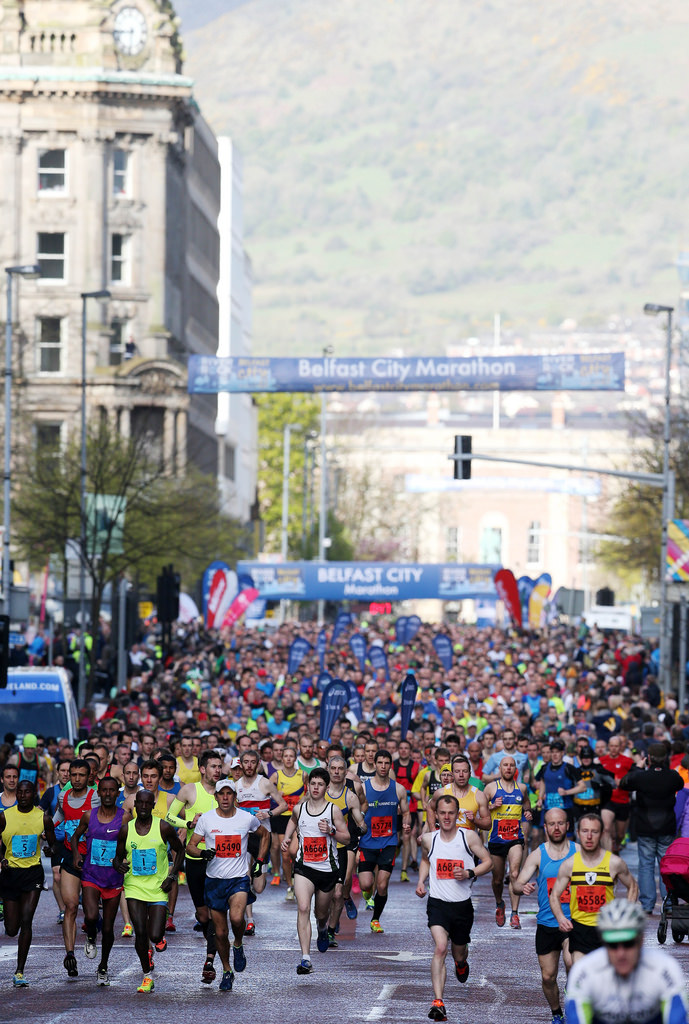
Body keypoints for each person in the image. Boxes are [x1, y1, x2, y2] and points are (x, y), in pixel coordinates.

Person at [187, 778, 270, 992]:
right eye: (221, 794)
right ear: (215, 797)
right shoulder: (206, 819)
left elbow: (265, 835)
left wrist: (260, 862)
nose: (225, 797)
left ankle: (239, 944)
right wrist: (203, 852)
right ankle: (226, 970)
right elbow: (190, 847)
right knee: (221, 933)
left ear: (235, 797)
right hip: (214, 881)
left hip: (238, 879)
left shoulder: (246, 818)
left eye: (229, 793)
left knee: (236, 918)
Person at [416, 794, 492, 1023]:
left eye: (451, 813)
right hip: (438, 903)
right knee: (440, 948)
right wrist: (421, 881)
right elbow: (426, 860)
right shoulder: (429, 839)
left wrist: (470, 873)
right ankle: (438, 1002)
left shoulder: (468, 836)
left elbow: (488, 862)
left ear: (457, 814)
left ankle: (461, 963)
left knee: (458, 952)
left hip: (462, 906)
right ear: (436, 815)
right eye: (442, 813)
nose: (447, 817)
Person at [565, 899, 688, 1024]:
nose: (621, 953)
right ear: (603, 942)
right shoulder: (584, 971)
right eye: (613, 945)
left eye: (628, 943)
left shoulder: (665, 968)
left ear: (641, 940)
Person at [113, 789, 184, 993]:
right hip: (134, 886)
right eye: (140, 803)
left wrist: (172, 876)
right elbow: (118, 857)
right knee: (141, 932)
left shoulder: (163, 827)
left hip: (158, 888)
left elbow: (180, 850)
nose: (143, 807)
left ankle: (159, 937)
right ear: (135, 806)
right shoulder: (126, 830)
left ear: (153, 806)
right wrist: (118, 865)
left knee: (154, 934)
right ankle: (147, 975)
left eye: (147, 804)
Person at [280, 767, 350, 975]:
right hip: (304, 867)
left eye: (320, 784)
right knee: (303, 907)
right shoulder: (299, 809)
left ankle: (322, 928)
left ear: (327, 788)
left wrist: (332, 831)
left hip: (327, 870)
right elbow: (292, 821)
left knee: (320, 913)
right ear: (308, 786)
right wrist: (286, 838)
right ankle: (305, 958)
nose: (316, 787)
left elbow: (346, 838)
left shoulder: (332, 811)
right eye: (313, 784)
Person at [511, 808, 577, 1024]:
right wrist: (523, 887)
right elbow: (517, 884)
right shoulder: (538, 854)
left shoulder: (578, 852)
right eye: (551, 824)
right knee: (548, 977)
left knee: (572, 963)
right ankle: (557, 1013)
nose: (556, 828)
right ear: (546, 827)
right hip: (547, 923)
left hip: (573, 921)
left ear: (567, 825)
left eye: (560, 823)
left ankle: (574, 995)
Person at [549, 812, 638, 962]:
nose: (589, 837)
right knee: (580, 972)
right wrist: (560, 918)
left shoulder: (614, 863)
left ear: (602, 834)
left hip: (607, 928)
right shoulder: (569, 865)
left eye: (594, 832)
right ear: (578, 833)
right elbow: (554, 895)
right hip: (580, 928)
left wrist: (625, 916)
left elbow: (633, 886)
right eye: (585, 831)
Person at [166, 749, 224, 980]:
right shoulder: (189, 790)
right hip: (195, 859)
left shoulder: (226, 792)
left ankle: (209, 960)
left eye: (220, 767)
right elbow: (170, 817)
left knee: (217, 912)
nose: (217, 771)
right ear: (202, 769)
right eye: (213, 766)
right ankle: (213, 942)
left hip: (221, 861)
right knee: (202, 915)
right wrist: (189, 822)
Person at [70, 776, 125, 986]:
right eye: (104, 790)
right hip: (91, 875)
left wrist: (124, 860)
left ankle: (103, 966)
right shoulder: (88, 816)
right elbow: (75, 837)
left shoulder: (125, 818)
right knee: (92, 916)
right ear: (98, 793)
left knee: (110, 929)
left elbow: (131, 843)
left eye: (112, 790)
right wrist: (76, 855)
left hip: (113, 878)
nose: (108, 794)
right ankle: (91, 935)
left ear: (117, 793)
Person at [0, 779, 56, 987]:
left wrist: (50, 850)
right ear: (17, 795)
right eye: (20, 793)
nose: (23, 796)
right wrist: (1, 859)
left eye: (27, 792)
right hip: (10, 875)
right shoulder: (5, 816)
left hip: (33, 874)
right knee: (12, 928)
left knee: (26, 920)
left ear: (34, 794)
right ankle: (4, 910)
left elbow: (53, 846)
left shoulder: (43, 818)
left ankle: (20, 971)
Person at [619, 742, 683, 914]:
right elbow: (680, 784)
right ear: (665, 758)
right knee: (666, 866)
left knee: (646, 865)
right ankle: (668, 903)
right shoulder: (672, 776)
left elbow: (624, 784)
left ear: (648, 758)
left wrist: (636, 767)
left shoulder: (641, 776)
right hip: (666, 826)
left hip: (645, 826)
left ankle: (647, 905)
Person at [53, 758, 99, 979]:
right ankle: (69, 954)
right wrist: (49, 829)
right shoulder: (63, 796)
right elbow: (59, 816)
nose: (77, 779)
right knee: (70, 906)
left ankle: (91, 934)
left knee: (91, 915)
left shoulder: (95, 797)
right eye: (73, 775)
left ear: (89, 776)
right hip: (70, 859)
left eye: (82, 775)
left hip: (92, 861)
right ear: (69, 776)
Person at [358, 749, 412, 933]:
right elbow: (355, 811)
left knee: (382, 884)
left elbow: (405, 812)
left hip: (388, 842)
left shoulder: (398, 789)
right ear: (375, 764)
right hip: (367, 842)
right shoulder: (364, 788)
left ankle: (375, 919)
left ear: (390, 765)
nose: (383, 766)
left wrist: (406, 824)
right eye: (379, 763)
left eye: (386, 763)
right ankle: (367, 893)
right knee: (366, 884)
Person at [235, 748, 288, 934]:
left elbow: (284, 804)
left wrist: (269, 813)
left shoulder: (264, 783)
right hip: (244, 838)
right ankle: (249, 920)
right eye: (246, 762)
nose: (249, 766)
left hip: (262, 838)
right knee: (245, 877)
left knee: (258, 887)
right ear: (241, 764)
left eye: (252, 762)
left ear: (257, 764)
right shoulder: (236, 786)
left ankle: (250, 898)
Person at [484, 756, 532, 929]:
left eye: (512, 765)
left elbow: (527, 804)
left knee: (514, 874)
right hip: (496, 838)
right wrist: (490, 806)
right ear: (500, 768)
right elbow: (480, 810)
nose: (509, 768)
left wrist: (527, 813)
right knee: (497, 880)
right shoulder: (491, 788)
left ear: (515, 769)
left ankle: (515, 913)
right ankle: (499, 904)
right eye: (505, 765)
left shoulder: (522, 788)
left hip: (515, 838)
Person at [325, 753, 367, 942]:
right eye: (333, 768)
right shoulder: (318, 790)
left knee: (340, 889)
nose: (336, 772)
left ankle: (331, 930)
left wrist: (362, 826)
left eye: (340, 768)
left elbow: (361, 817)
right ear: (328, 770)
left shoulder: (351, 793)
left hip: (344, 843)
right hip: (320, 847)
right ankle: (326, 918)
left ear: (345, 771)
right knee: (324, 893)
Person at [39, 757, 70, 923]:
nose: (65, 774)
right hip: (57, 840)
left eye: (68, 771)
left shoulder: (79, 791)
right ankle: (62, 910)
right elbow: (39, 811)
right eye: (63, 771)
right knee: (57, 876)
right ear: (57, 773)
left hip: (75, 840)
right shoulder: (51, 792)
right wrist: (42, 829)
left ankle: (74, 902)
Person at [427, 755, 491, 833]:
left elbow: (488, 824)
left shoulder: (479, 795)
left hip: (468, 843)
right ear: (452, 774)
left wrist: (475, 820)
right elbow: (430, 808)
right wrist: (433, 830)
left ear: (470, 774)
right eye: (457, 771)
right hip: (446, 842)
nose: (461, 775)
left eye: (464, 771)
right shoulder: (441, 793)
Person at [273, 743, 305, 897]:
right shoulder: (276, 775)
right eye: (285, 756)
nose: (288, 759)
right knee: (285, 854)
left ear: (295, 758)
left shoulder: (303, 774)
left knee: (296, 852)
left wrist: (302, 800)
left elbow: (310, 793)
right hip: (282, 819)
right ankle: (290, 887)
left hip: (298, 819)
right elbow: (266, 794)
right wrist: (276, 795)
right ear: (282, 757)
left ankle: (298, 879)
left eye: (291, 756)